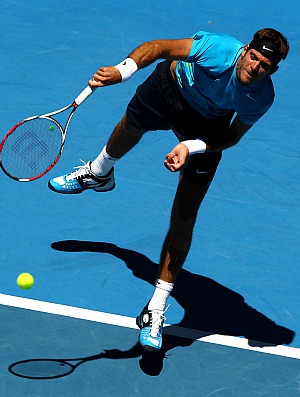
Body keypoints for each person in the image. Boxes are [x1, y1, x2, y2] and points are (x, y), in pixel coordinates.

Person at [48, 28, 289, 352]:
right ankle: (99, 172)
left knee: (184, 217)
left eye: (265, 65)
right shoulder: (218, 50)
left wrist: (190, 146)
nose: (255, 67)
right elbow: (159, 47)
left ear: (273, 70)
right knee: (131, 124)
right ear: (245, 50)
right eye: (254, 57)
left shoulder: (261, 98)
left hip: (207, 126)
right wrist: (124, 70)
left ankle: (155, 309)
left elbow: (231, 137)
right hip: (170, 88)